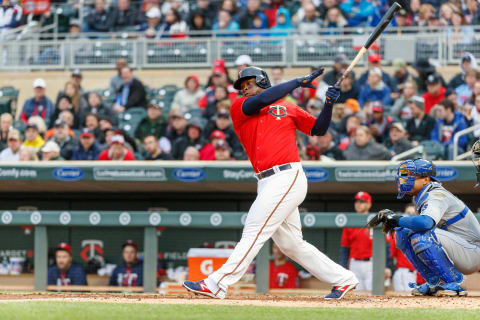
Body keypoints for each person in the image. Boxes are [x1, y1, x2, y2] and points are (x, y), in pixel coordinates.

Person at [183, 66, 359, 300]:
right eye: (241, 85)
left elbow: (319, 129)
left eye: (249, 83)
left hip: (287, 175)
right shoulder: (240, 107)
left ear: (263, 81)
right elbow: (264, 99)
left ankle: (217, 283)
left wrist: (328, 104)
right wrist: (297, 82)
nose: (244, 88)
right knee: (291, 245)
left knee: (254, 229)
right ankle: (343, 279)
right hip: (266, 181)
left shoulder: (288, 107)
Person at [369, 159, 480, 296]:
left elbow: (426, 223)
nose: (404, 179)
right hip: (460, 249)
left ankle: (455, 283)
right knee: (402, 233)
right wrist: (399, 222)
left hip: (472, 252)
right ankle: (436, 282)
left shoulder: (436, 194)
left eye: (411, 176)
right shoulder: (422, 196)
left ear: (426, 179)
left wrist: (397, 219)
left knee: (421, 234)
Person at [340, 192, 375, 291]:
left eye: (362, 202)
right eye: (356, 201)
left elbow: (385, 247)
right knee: (357, 295)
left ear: (369, 204)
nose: (358, 204)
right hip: (354, 264)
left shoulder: (375, 221)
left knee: (373, 294)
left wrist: (386, 266)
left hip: (371, 263)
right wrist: (343, 269)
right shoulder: (349, 222)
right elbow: (344, 250)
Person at [389, 204, 417, 292]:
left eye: (412, 213)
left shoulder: (420, 233)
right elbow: (391, 253)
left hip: (416, 273)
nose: (410, 215)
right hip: (402, 271)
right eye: (408, 213)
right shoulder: (397, 233)